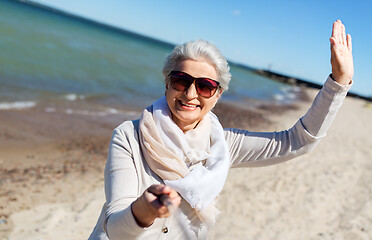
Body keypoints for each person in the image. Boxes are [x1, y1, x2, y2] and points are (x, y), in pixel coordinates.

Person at [89, 20, 353, 240]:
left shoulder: (223, 145)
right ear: (167, 84)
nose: (190, 94)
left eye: (204, 86)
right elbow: (114, 229)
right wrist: (144, 210)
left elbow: (297, 142)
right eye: (181, 81)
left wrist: (338, 83)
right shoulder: (129, 135)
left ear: (217, 95)